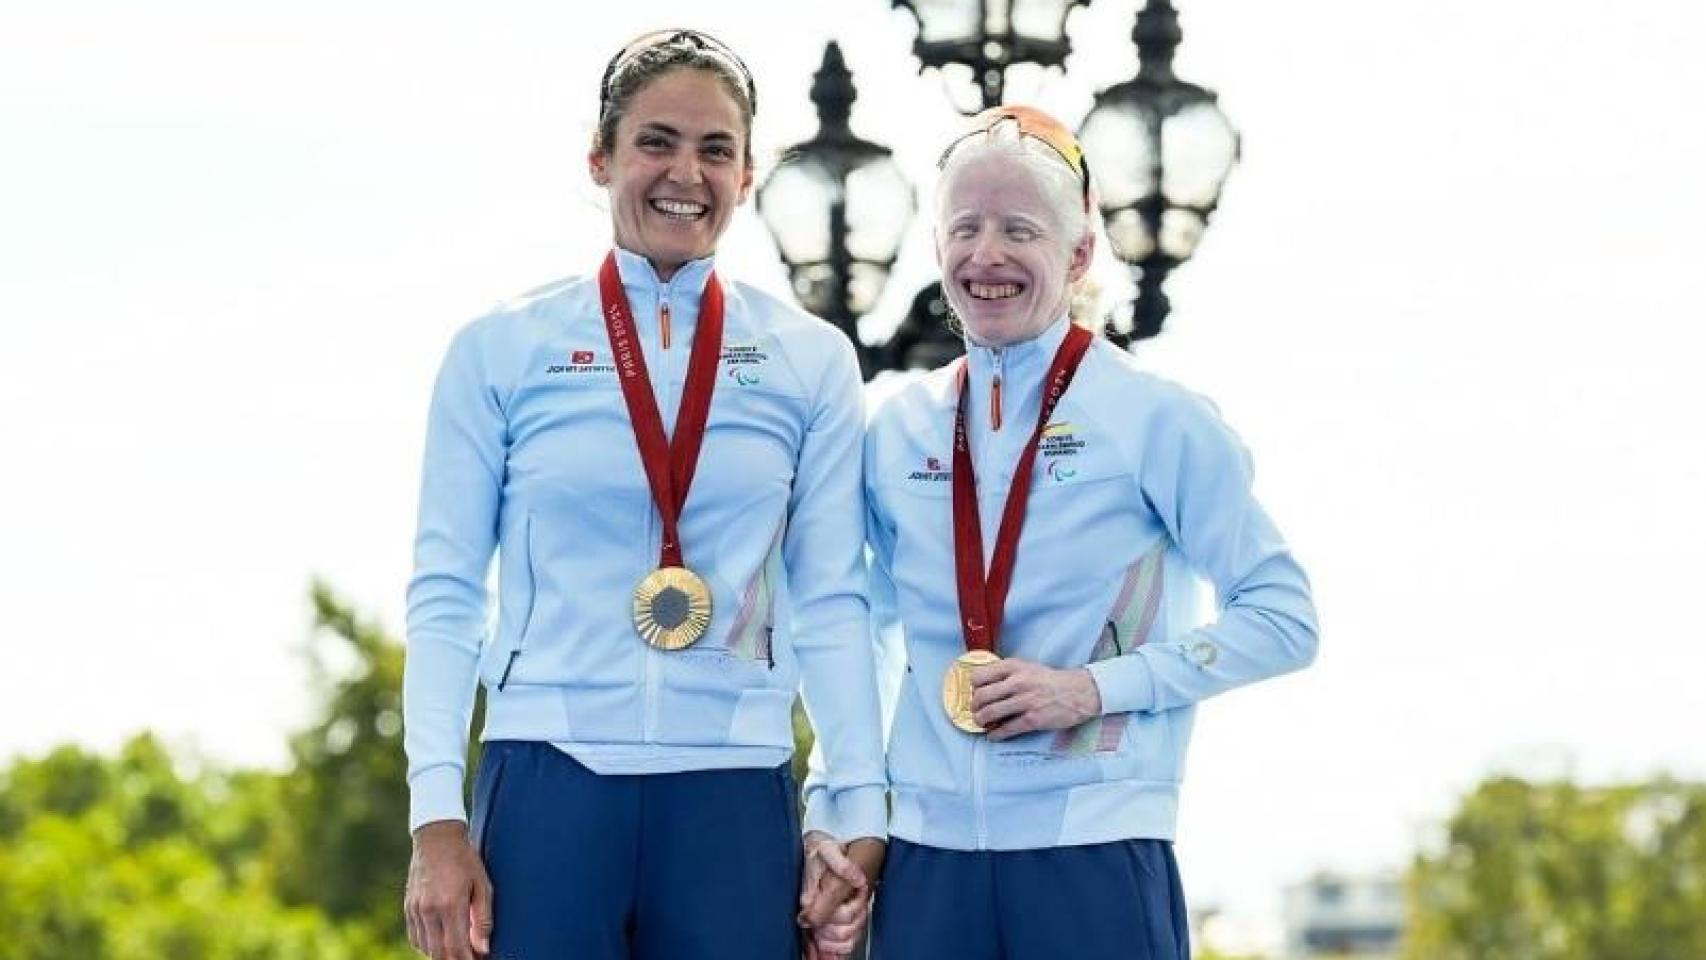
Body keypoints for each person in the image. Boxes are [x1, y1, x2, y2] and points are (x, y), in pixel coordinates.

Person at [400, 29, 885, 960]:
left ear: (747, 175)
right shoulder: (501, 349)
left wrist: (855, 801)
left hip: (735, 785)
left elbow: (831, 599)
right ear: (601, 156)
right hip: (549, 775)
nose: (685, 173)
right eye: (656, 142)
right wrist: (434, 816)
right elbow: (446, 591)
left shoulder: (811, 360)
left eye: (716, 150)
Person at [811, 105, 1320, 959]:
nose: (988, 255)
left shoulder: (1153, 416)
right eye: (964, 228)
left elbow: (1284, 618)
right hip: (930, 860)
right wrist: (840, 811)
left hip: (1096, 845)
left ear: (1079, 251)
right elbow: (858, 629)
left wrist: (1091, 689)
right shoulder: (895, 428)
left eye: (1020, 229)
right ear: (937, 248)